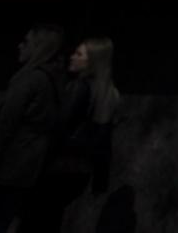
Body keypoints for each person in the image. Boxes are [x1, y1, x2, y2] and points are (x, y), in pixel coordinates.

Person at [0, 25, 73, 233]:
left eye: (25, 42)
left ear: (37, 48)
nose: (19, 46)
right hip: (25, 172)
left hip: (0, 168)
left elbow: (3, 130)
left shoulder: (28, 80)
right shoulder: (56, 83)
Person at [34, 36, 122, 233]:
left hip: (55, 166)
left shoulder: (79, 88)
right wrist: (100, 179)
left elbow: (58, 127)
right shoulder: (110, 95)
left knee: (37, 219)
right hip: (79, 171)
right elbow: (104, 142)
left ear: (93, 61)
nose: (72, 57)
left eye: (79, 54)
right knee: (51, 220)